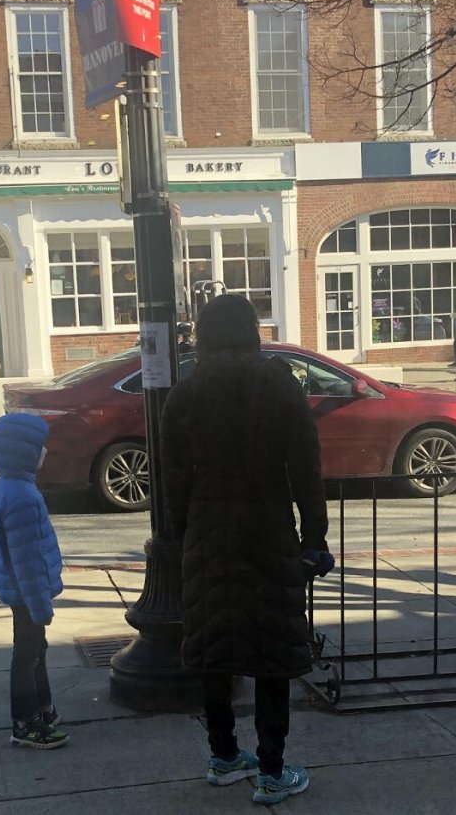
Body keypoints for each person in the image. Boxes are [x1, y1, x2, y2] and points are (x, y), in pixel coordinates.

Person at [160, 294, 333, 805]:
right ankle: (273, 770)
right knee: (271, 651)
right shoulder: (277, 383)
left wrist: (187, 531)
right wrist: (314, 537)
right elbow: (306, 467)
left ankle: (224, 756)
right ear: (251, 331)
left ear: (204, 333)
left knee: (217, 648)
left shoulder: (184, 394)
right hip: (267, 530)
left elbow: (173, 480)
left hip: (208, 535)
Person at [0, 413, 68, 750]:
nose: (45, 450)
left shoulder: (6, 486)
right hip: (27, 593)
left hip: (19, 591)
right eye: (39, 445)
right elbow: (27, 561)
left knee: (35, 649)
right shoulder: (22, 497)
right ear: (25, 452)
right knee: (28, 654)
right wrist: (40, 605)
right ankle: (26, 722)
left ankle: (43, 708)